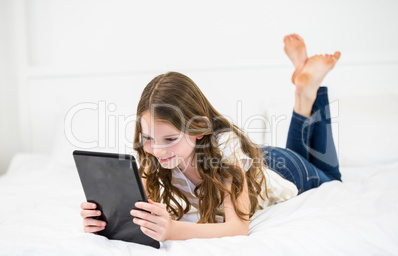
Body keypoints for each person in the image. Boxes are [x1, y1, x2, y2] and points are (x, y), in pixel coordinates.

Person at [80, 34, 342, 242]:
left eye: (170, 139)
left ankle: (308, 90)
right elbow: (136, 214)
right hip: (249, 162)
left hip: (280, 167)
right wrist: (104, 220)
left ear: (200, 129)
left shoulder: (225, 152)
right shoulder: (156, 154)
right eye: (148, 138)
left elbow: (237, 229)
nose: (158, 150)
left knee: (330, 176)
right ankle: (304, 87)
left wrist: (172, 230)